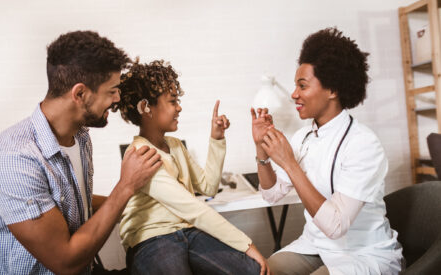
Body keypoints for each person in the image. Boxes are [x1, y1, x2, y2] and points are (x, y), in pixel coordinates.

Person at [0, 31, 162, 274]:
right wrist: (126, 186)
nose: (117, 98)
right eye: (112, 90)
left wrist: (148, 205)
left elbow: (72, 203)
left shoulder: (80, 137)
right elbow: (65, 262)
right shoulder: (12, 160)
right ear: (80, 94)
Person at [251, 28, 404, 275]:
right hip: (315, 246)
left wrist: (290, 163)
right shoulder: (303, 137)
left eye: (302, 85)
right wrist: (262, 151)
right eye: (295, 86)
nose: (294, 94)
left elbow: (336, 225)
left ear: (332, 90)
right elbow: (271, 194)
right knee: (261, 270)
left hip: (362, 253)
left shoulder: (364, 144)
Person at [117, 59, 270, 275]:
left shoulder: (175, 146)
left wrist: (216, 139)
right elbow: (193, 208)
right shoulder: (140, 155)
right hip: (152, 240)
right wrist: (246, 244)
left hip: (188, 231)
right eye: (172, 101)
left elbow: (207, 187)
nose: (179, 107)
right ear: (146, 108)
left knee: (252, 270)